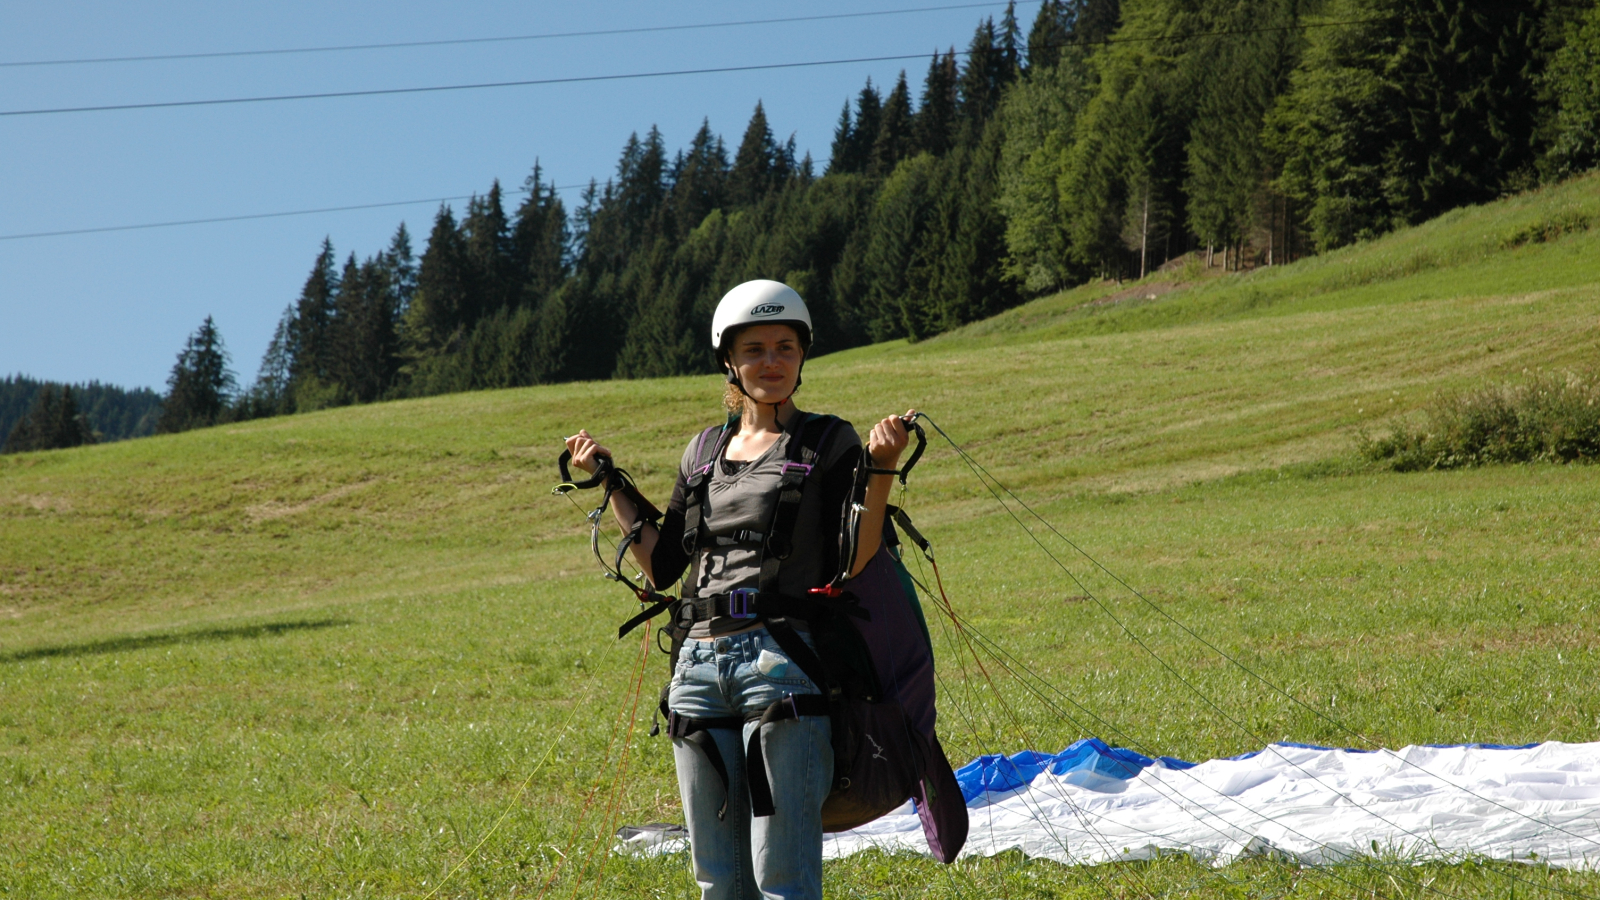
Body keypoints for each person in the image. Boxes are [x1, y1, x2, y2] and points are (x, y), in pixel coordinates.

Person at [564, 279, 913, 900]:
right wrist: (609, 480)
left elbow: (852, 560)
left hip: (784, 664)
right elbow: (664, 565)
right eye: (754, 349)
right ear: (729, 359)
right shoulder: (701, 450)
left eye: (785, 347)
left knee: (782, 876)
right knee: (719, 881)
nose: (771, 362)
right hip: (696, 667)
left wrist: (880, 470)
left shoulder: (828, 441)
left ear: (803, 356)